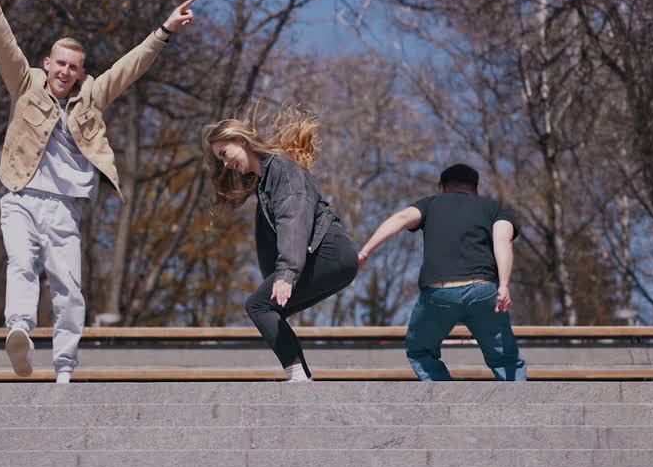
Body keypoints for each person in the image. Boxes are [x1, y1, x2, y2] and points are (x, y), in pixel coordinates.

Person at [0, 0, 196, 383]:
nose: (65, 72)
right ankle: (19, 330)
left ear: (81, 72)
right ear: (47, 64)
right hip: (20, 195)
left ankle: (64, 365)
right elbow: (3, 42)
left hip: (65, 206)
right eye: (59, 64)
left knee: (68, 286)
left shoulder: (93, 95)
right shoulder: (25, 82)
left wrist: (165, 30)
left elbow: (130, 66)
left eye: (74, 67)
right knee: (21, 263)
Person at [202, 108, 358, 382]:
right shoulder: (266, 180)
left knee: (259, 306)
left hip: (328, 253)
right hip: (329, 257)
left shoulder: (282, 170)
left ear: (240, 141)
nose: (225, 164)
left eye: (224, 154)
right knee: (268, 308)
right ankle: (302, 379)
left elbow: (293, 218)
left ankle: (298, 377)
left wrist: (287, 273)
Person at [358, 164, 526, 381]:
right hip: (483, 292)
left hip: (439, 294)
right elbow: (502, 241)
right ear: (475, 188)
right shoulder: (493, 209)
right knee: (505, 358)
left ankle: (443, 397)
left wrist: (365, 251)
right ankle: (518, 407)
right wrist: (503, 285)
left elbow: (399, 220)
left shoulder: (430, 204)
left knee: (420, 350)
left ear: (444, 187)